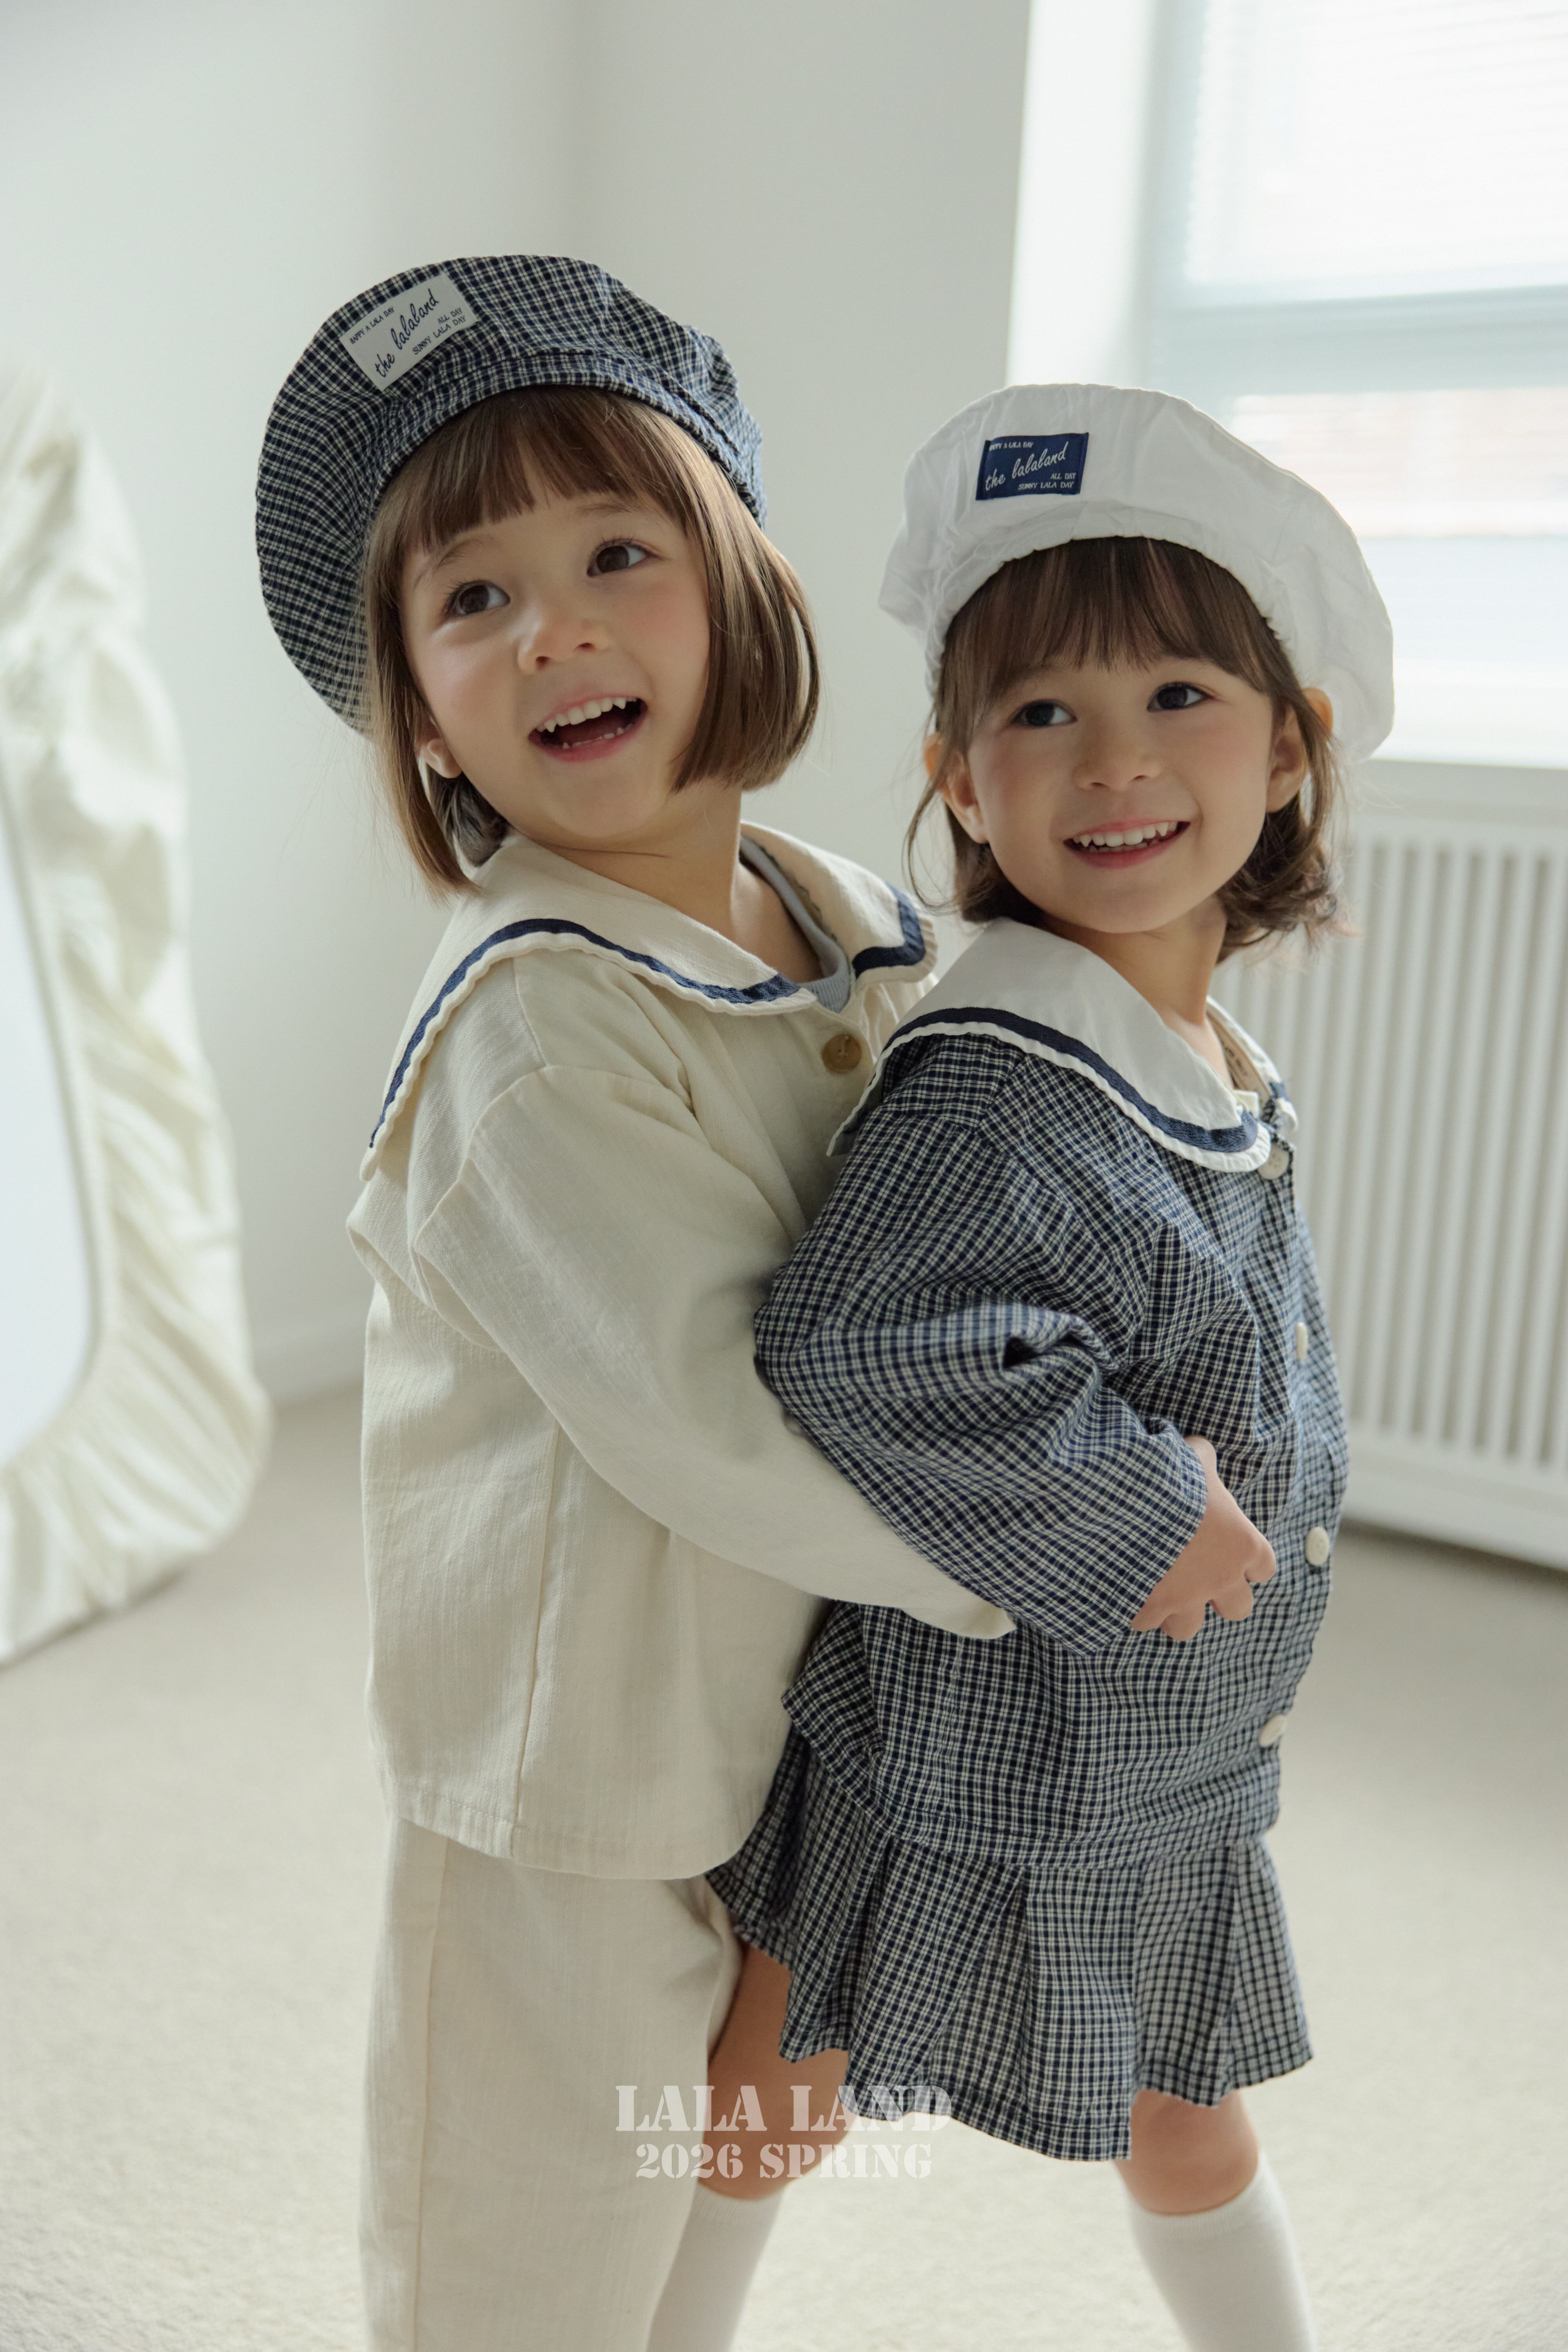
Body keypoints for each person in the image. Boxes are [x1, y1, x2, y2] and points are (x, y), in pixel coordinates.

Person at [254, 256, 1011, 2352]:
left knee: (733, 2162)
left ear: (737, 583)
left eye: (617, 553)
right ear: (418, 710)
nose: (557, 630)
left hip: (798, 1718)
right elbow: (715, 1422)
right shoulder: (529, 1027)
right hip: (575, 1772)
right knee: (531, 2249)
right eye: (472, 599)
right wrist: (1050, 1559)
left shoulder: (855, 924)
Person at [704, 383, 1396, 2351]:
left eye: (1179, 694)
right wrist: (1128, 1503)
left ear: (1289, 745)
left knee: (1185, 2115)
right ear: (959, 776)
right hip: (975, 1746)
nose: (1114, 762)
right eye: (1038, 713)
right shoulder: (997, 1085)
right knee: (770, 2089)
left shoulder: (1198, 1063)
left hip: (1159, 1754)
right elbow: (862, 1337)